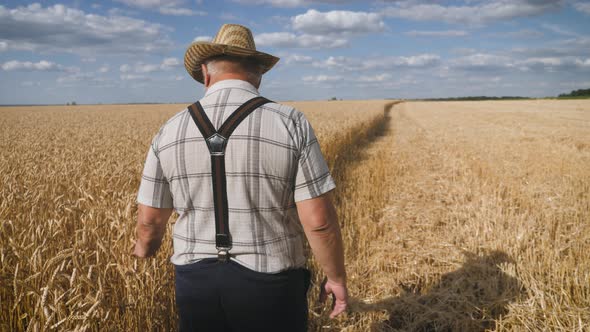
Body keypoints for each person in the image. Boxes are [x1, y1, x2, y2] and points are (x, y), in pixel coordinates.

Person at [133, 23, 348, 331]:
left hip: (195, 283)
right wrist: (336, 277)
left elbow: (150, 221)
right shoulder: (290, 123)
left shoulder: (170, 129)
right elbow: (319, 221)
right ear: (258, 73)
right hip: (271, 284)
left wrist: (145, 248)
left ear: (205, 74)